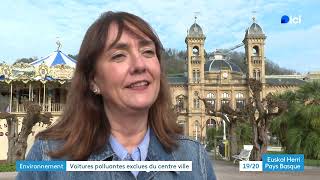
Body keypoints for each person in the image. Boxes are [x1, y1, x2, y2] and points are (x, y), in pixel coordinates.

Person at [17, 11, 216, 180]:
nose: (140, 65)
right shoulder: (47, 157)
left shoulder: (194, 158)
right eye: (119, 55)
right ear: (93, 80)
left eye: (147, 51)